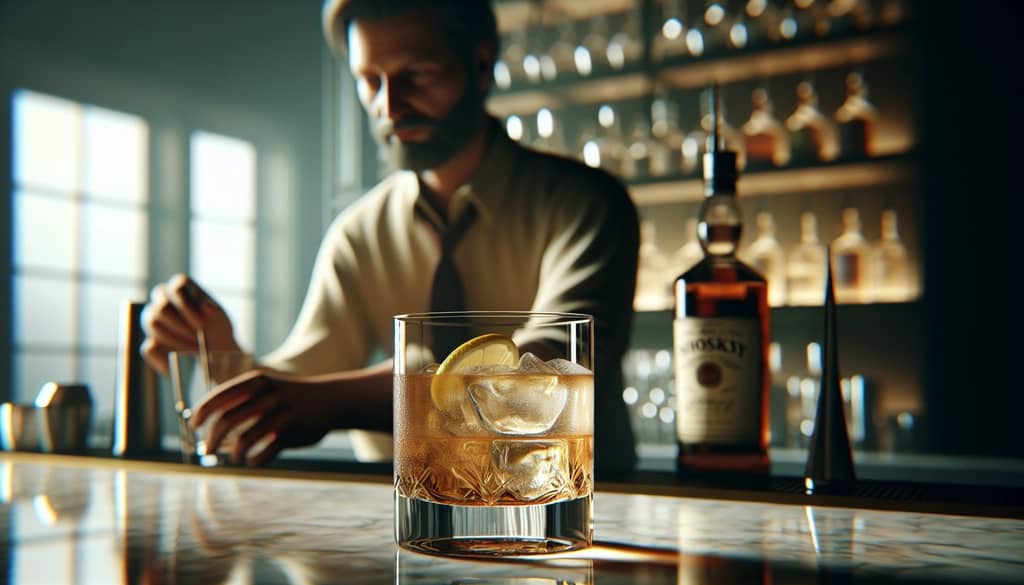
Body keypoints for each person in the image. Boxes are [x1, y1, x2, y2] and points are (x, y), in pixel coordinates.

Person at [141, 0, 640, 471]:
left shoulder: (586, 205)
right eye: (369, 81)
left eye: (415, 76)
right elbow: (300, 387)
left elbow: (548, 374)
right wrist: (217, 348)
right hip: (405, 522)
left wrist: (350, 397)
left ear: (482, 65)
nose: (390, 105)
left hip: (577, 511)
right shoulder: (358, 234)